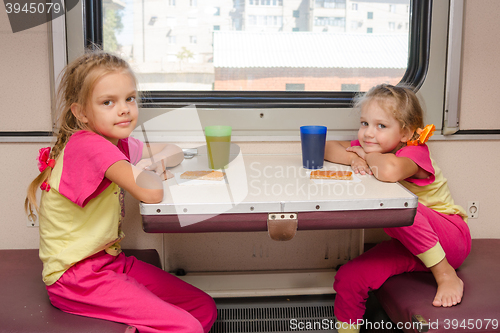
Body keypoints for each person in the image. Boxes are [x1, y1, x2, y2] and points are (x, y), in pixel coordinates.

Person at [24, 51, 217, 333]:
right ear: (81, 113)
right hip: (77, 277)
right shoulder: (89, 146)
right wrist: (149, 172)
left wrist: (150, 165)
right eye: (108, 102)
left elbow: (172, 150)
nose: (124, 109)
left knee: (202, 307)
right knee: (187, 327)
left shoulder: (115, 141)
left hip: (110, 262)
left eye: (129, 98)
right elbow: (152, 193)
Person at [324, 84, 471, 333]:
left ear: (406, 132)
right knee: (349, 277)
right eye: (364, 123)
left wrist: (364, 154)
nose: (368, 134)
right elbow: (327, 146)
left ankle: (445, 274)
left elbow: (390, 171)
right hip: (413, 246)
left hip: (450, 240)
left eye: (381, 126)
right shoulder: (377, 149)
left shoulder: (415, 153)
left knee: (399, 207)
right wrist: (353, 157)